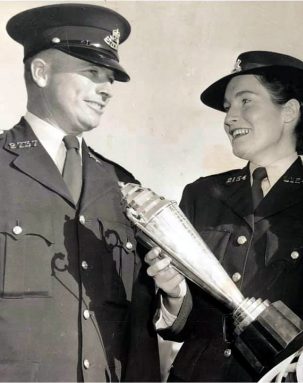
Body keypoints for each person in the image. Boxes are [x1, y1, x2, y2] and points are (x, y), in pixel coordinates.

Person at [145, 50, 303, 381]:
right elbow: (181, 326)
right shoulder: (201, 195)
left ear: (289, 111)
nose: (229, 117)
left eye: (245, 101)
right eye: (227, 107)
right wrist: (173, 293)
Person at [0, 4, 160, 381]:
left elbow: (139, 324)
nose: (106, 90)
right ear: (41, 72)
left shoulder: (119, 184)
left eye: (110, 78)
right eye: (92, 73)